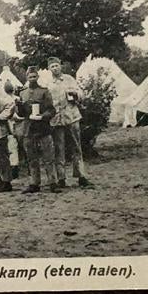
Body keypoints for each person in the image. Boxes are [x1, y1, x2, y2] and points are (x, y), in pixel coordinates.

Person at [47, 57, 92, 187]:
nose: (55, 68)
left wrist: (74, 93)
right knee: (58, 148)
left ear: (60, 66)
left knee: (76, 146)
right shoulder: (48, 83)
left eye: (56, 65)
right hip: (57, 118)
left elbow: (81, 94)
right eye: (52, 66)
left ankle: (81, 176)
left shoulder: (69, 79)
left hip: (72, 116)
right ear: (49, 69)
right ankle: (61, 178)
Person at [18, 67, 60, 193]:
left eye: (34, 76)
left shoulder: (44, 91)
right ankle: (34, 183)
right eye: (30, 77)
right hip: (29, 129)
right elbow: (21, 114)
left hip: (43, 128)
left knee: (48, 156)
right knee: (31, 157)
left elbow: (52, 110)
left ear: (38, 77)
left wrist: (43, 116)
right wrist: (19, 106)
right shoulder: (22, 93)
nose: (32, 79)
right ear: (26, 78)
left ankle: (53, 182)